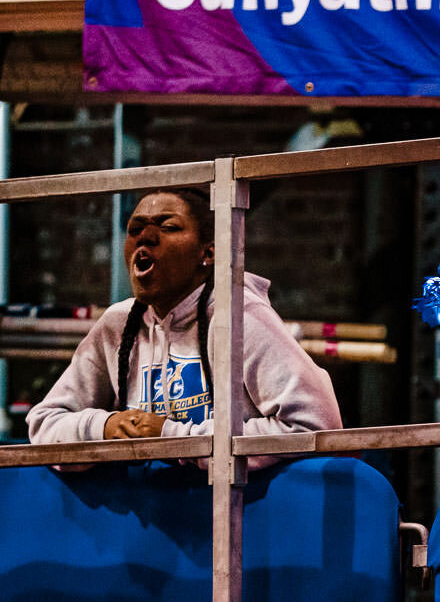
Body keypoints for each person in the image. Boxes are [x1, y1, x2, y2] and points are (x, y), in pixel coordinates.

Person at [28, 187, 342, 471]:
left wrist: (173, 437)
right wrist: (104, 427)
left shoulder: (240, 315)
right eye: (135, 229)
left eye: (168, 227)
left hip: (234, 521)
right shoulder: (118, 324)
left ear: (208, 252)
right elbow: (44, 424)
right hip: (152, 524)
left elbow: (317, 426)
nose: (146, 237)